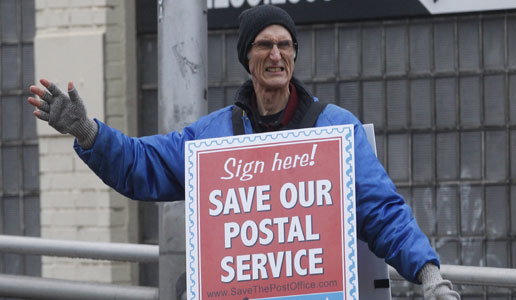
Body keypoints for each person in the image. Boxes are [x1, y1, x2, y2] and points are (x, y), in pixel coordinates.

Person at [28, 5, 460, 299]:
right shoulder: (214, 136)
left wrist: (429, 275)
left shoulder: (336, 128)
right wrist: (87, 131)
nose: (276, 54)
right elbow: (142, 166)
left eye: (285, 45)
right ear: (246, 57)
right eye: (264, 45)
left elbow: (383, 212)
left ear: (294, 56)